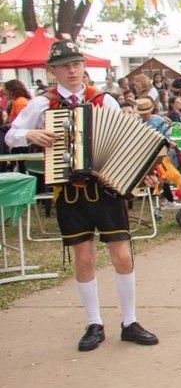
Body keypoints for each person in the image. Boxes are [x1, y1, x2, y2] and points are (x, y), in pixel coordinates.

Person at [4, 40, 159, 351]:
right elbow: (10, 136)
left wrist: (140, 170)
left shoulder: (104, 100)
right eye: (64, 66)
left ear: (83, 66)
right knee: (84, 257)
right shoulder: (42, 104)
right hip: (70, 191)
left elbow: (125, 139)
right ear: (53, 70)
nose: (72, 70)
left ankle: (129, 321)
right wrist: (31, 134)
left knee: (122, 255)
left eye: (76, 64)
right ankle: (94, 322)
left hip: (106, 188)